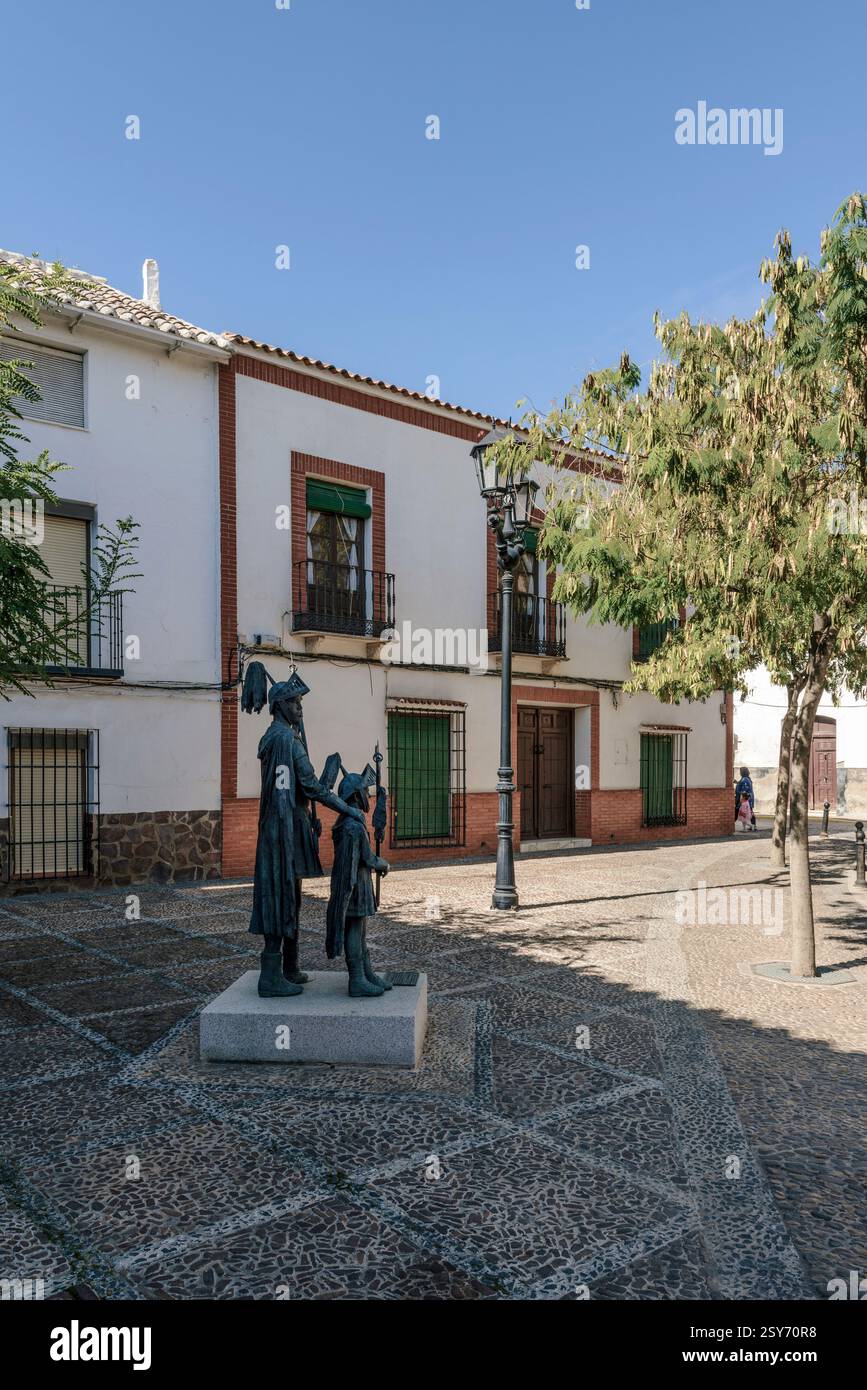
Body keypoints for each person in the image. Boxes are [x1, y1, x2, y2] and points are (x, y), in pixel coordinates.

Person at [245, 670, 366, 998]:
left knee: (291, 897)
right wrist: (348, 808)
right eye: (296, 703)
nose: (301, 708)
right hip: (281, 829)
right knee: (281, 895)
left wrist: (304, 814)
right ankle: (271, 976)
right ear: (280, 705)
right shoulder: (285, 740)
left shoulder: (277, 738)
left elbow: (298, 789)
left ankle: (289, 967)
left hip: (285, 823)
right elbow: (311, 786)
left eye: (300, 702)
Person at [326, 765, 391, 997]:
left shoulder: (350, 820)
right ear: (356, 795)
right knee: (355, 930)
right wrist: (382, 863)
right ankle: (357, 979)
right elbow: (366, 857)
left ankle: (366, 973)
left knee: (361, 931)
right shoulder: (352, 826)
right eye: (365, 791)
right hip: (354, 885)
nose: (368, 795)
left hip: (360, 882)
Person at [734, 766, 756, 830]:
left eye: (740, 771)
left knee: (737, 811)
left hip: (745, 799)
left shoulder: (744, 779)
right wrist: (737, 783)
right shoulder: (746, 778)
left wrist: (741, 801)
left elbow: (744, 790)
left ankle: (730, 826)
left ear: (742, 772)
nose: (739, 773)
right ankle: (754, 826)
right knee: (750, 811)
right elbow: (742, 785)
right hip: (747, 799)